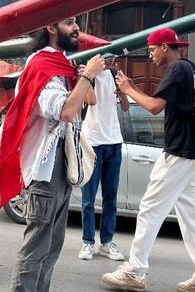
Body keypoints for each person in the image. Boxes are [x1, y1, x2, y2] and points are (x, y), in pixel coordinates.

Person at [0, 17, 105, 292]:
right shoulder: (42, 65)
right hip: (45, 167)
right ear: (51, 28)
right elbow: (64, 111)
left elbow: (89, 100)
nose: (76, 29)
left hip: (60, 164)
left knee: (53, 245)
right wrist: (87, 75)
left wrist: (84, 74)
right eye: (70, 23)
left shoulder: (62, 65)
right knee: (37, 246)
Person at [101, 28, 195, 292]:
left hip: (179, 152)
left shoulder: (177, 69)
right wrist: (131, 88)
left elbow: (155, 106)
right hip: (192, 150)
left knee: (149, 210)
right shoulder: (188, 68)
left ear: (165, 46)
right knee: (193, 217)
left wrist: (128, 89)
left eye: (153, 49)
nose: (151, 55)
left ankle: (134, 271)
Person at [78, 62, 129, 261]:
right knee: (88, 198)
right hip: (92, 141)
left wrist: (123, 93)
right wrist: (88, 76)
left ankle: (107, 242)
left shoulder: (116, 74)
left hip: (114, 141)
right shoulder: (86, 72)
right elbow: (91, 100)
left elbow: (125, 108)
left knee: (111, 197)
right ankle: (87, 242)